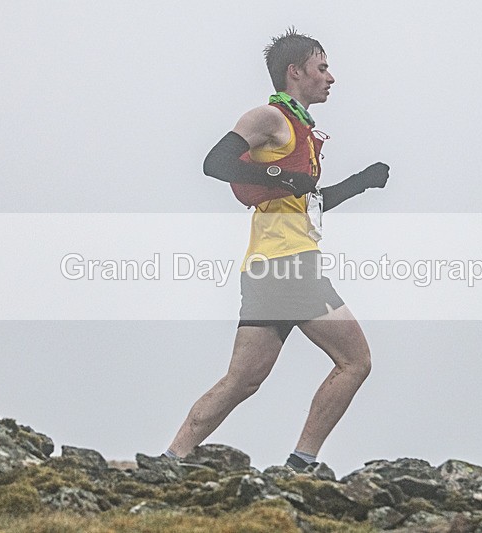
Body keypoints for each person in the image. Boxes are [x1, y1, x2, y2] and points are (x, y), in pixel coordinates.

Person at [164, 27, 390, 472]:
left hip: (266, 266)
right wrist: (283, 178)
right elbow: (214, 163)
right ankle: (301, 464)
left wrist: (361, 182)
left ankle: (172, 458)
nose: (331, 77)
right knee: (355, 362)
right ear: (295, 72)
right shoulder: (269, 118)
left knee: (243, 380)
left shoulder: (301, 132)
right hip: (290, 264)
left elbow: (306, 200)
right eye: (322, 67)